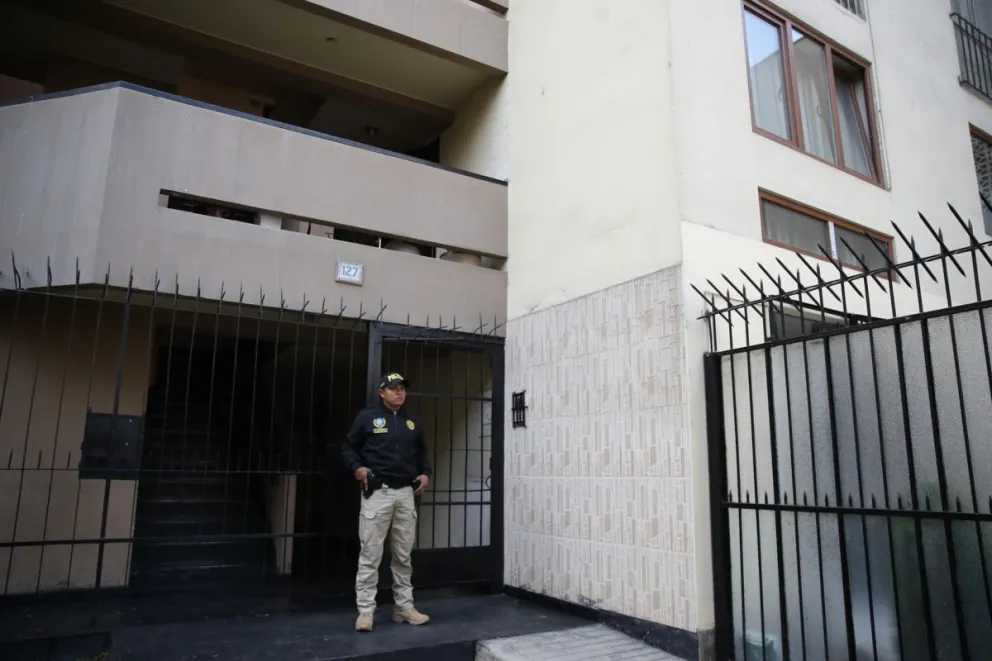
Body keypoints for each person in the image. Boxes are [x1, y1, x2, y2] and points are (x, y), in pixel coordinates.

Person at [340, 372, 432, 632]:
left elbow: (423, 453)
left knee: (403, 555)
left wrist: (425, 473)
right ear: (382, 392)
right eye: (393, 389)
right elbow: (347, 448)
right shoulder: (367, 417)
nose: (399, 393)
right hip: (377, 493)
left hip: (405, 495)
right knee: (370, 554)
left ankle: (404, 608)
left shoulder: (412, 421)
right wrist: (358, 469)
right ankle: (366, 612)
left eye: (402, 388)